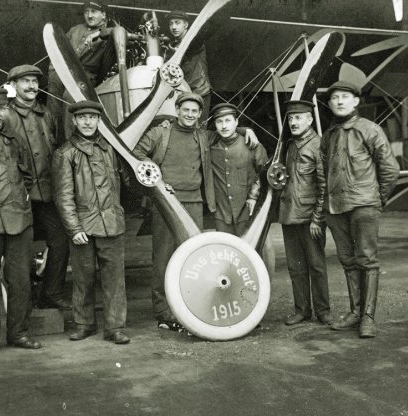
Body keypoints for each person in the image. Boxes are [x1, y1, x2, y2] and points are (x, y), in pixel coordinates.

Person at [132, 92, 258, 331]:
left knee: (193, 259)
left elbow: (227, 130)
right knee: (163, 257)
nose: (189, 114)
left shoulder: (202, 135)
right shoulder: (161, 132)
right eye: (185, 109)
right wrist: (157, 181)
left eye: (194, 111)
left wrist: (246, 130)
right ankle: (163, 312)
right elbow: (136, 153)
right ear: (177, 110)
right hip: (166, 202)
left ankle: (189, 306)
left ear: (200, 115)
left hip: (195, 203)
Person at [321, 81, 399, 338]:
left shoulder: (370, 129)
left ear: (356, 101)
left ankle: (367, 317)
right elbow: (324, 171)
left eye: (345, 97)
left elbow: (390, 169)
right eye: (334, 98)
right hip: (336, 208)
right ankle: (355, 313)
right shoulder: (329, 135)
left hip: (364, 205)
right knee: (348, 260)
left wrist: (376, 200)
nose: (339, 101)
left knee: (366, 259)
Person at [52, 100, 130, 344]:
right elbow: (63, 196)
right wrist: (74, 228)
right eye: (83, 117)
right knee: (83, 279)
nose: (88, 122)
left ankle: (114, 327)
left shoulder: (111, 149)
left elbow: (127, 181)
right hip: (83, 228)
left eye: (92, 118)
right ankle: (84, 324)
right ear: (74, 121)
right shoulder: (65, 153)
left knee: (115, 280)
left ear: (99, 121)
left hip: (112, 224)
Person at [5, 64, 71, 311]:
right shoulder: (6, 116)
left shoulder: (47, 114)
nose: (32, 86)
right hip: (19, 195)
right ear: (13, 86)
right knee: (19, 249)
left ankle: (51, 294)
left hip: (47, 192)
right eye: (25, 81)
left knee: (60, 241)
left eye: (34, 81)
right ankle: (22, 302)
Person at [0, 88, 42, 356]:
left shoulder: (14, 140)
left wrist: (20, 202)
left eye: (1, 109)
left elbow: (29, 176)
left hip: (18, 219)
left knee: (20, 280)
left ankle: (19, 333)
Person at [278, 100, 331, 326]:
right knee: (295, 266)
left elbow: (324, 185)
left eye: (298, 118)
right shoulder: (290, 146)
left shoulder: (318, 146)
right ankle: (302, 310)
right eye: (290, 119)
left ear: (310, 120)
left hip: (310, 218)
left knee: (316, 265)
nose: (293, 122)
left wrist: (317, 219)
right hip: (290, 214)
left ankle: (323, 311)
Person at [47, 0, 116, 142]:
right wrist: (53, 69)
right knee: (54, 85)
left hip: (86, 76)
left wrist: (99, 34)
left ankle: (69, 141)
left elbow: (122, 33)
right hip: (65, 71)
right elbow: (59, 48)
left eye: (94, 12)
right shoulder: (75, 29)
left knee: (69, 97)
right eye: (86, 12)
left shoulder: (111, 30)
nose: (89, 15)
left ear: (103, 15)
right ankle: (50, 135)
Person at [209, 102, 268, 237]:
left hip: (248, 210)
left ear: (236, 122)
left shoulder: (253, 145)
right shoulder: (210, 145)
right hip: (221, 214)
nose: (224, 126)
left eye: (228, 121)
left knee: (252, 251)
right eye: (219, 121)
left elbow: (264, 174)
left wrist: (253, 197)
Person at [165, 11, 212, 127]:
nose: (173, 27)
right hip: (183, 92)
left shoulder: (194, 41)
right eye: (171, 24)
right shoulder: (173, 44)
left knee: (198, 129)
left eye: (177, 23)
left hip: (199, 90)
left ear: (186, 25)